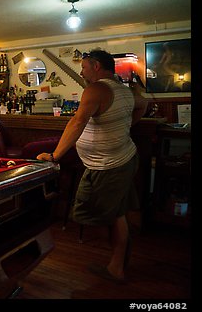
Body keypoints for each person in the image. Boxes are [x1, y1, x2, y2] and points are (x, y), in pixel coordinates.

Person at [36, 48, 147, 283]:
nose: (81, 71)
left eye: (84, 67)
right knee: (118, 213)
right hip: (123, 160)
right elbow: (143, 103)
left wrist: (55, 156)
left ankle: (117, 266)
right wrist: (126, 125)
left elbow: (77, 122)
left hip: (110, 166)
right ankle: (118, 264)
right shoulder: (123, 90)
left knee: (106, 213)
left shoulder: (96, 89)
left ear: (96, 66)